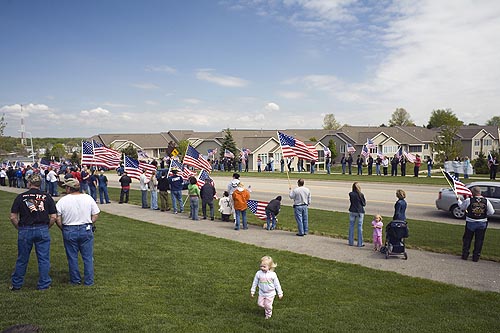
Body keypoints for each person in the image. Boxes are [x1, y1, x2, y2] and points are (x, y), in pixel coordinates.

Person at [9, 174, 57, 291]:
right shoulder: (47, 196)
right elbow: (54, 217)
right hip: (42, 228)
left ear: (29, 183)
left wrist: (19, 227)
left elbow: (13, 216)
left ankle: (17, 284)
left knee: (22, 258)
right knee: (43, 259)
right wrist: (47, 227)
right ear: (40, 184)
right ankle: (44, 285)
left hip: (25, 229)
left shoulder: (21, 197)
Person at [56, 178, 100, 286]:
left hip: (69, 228)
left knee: (72, 257)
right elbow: (96, 214)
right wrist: (90, 222)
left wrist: (63, 227)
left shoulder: (63, 200)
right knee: (88, 257)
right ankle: (89, 281)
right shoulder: (88, 198)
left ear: (68, 188)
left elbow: (57, 217)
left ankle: (75, 280)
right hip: (86, 228)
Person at [458, 186, 495, 262]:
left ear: (473, 193)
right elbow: (491, 212)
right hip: (482, 223)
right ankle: (476, 256)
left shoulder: (469, 200)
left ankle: (465, 254)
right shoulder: (486, 201)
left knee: (467, 239)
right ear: (480, 192)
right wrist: (484, 213)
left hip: (471, 222)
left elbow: (462, 207)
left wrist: (458, 201)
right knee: (479, 240)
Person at [250, 256, 283, 320]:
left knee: (268, 305)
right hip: (262, 292)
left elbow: (277, 284)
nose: (262, 268)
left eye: (264, 267)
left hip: (270, 293)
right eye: (261, 266)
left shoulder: (273, 274)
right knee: (260, 304)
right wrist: (252, 291)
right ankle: (267, 308)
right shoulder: (258, 273)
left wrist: (280, 293)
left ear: (269, 267)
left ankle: (268, 314)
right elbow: (255, 282)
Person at [348, 182, 366, 247]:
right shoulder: (361, 195)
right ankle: (360, 243)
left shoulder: (351, 194)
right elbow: (364, 204)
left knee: (351, 226)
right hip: (360, 211)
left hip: (352, 210)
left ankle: (351, 242)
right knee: (359, 227)